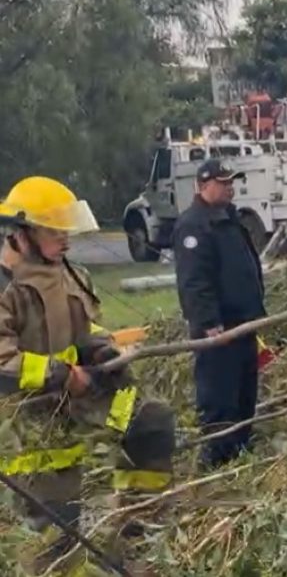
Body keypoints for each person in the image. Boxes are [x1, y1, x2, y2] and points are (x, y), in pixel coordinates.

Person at [0, 176, 175, 573]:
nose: (65, 240)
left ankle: (136, 535)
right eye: (54, 231)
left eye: (66, 231)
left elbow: (85, 329)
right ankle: (53, 564)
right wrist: (61, 375)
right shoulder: (3, 285)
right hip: (23, 413)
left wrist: (102, 349)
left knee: (150, 422)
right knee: (56, 517)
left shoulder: (69, 273)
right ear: (21, 234)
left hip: (76, 395)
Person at [173, 159, 266, 470]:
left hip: (244, 323)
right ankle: (216, 458)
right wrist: (209, 324)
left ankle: (241, 451)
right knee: (218, 394)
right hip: (219, 329)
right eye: (223, 182)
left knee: (244, 391)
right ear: (203, 185)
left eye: (232, 182)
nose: (230, 187)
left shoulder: (229, 218)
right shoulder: (194, 225)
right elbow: (194, 280)